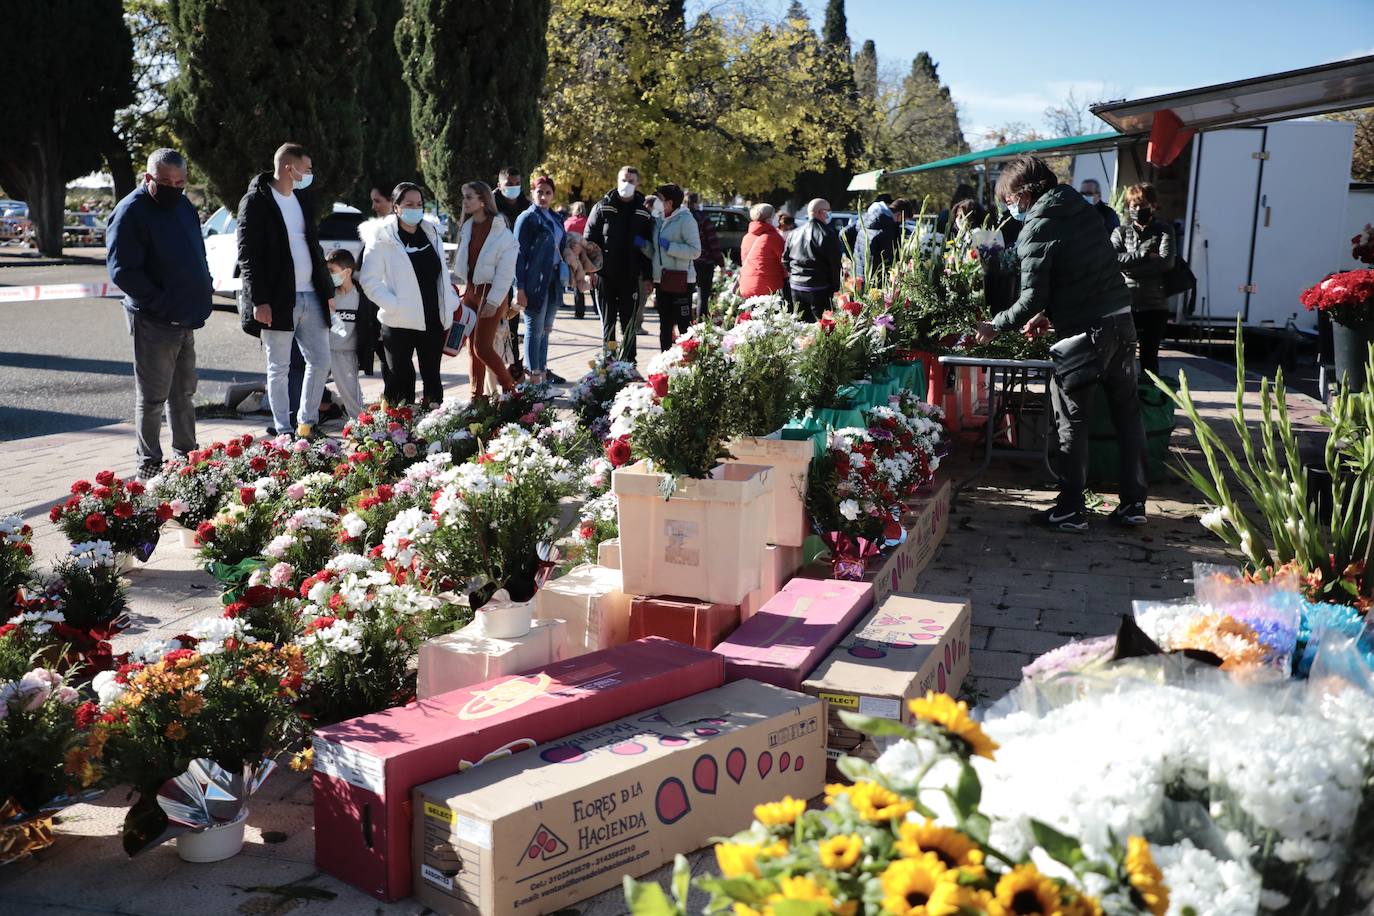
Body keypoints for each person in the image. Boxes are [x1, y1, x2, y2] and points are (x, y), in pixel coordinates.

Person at [975, 155, 1148, 531]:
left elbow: (1031, 296)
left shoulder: (1037, 224)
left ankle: (1071, 508)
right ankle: (1134, 504)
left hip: (1085, 335)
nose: (1008, 206)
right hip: (1121, 323)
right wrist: (1048, 314)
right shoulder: (1081, 210)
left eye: (1007, 198)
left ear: (1022, 194)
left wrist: (996, 326)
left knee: (1072, 420)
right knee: (1128, 418)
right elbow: (1079, 273)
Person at [106, 148, 213, 477]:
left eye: (179, 181)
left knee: (183, 393)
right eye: (164, 181)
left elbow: (196, 252)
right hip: (154, 318)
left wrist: (201, 293)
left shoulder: (183, 205)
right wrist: (162, 302)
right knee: (152, 398)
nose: (173, 187)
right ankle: (148, 463)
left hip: (187, 316)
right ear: (147, 177)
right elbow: (123, 271)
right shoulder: (130, 211)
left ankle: (186, 458)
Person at [236, 142, 336, 438]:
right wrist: (260, 300)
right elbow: (248, 254)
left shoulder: (302, 199)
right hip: (279, 300)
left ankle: (307, 424)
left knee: (320, 361)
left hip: (312, 296)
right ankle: (284, 430)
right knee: (278, 368)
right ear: (289, 168)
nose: (310, 173)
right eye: (306, 167)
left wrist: (327, 290)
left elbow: (314, 247)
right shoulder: (255, 201)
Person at [358, 182, 459, 406]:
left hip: (432, 320)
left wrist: (449, 302)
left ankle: (434, 432)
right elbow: (368, 280)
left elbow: (441, 273)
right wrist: (395, 305)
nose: (416, 208)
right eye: (409, 204)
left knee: (432, 380)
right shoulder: (382, 238)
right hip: (398, 323)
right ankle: (398, 434)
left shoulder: (431, 233)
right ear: (396, 207)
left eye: (419, 204)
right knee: (400, 383)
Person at [452, 180, 519, 399]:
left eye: (469, 197)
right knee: (472, 349)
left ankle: (510, 387)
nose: (465, 202)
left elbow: (506, 272)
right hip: (471, 292)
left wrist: (493, 300)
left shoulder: (501, 232)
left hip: (491, 294)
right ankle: (476, 395)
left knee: (482, 348)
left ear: (483, 200)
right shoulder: (468, 227)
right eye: (464, 197)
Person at [586, 165, 653, 364]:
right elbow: (589, 240)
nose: (627, 184)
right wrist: (590, 271)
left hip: (631, 276)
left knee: (629, 322)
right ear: (617, 180)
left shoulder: (643, 212)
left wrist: (648, 277)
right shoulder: (602, 207)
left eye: (631, 181)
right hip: (605, 275)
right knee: (608, 322)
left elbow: (649, 248)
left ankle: (629, 363)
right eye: (623, 180)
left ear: (638, 183)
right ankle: (608, 362)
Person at [1111, 182, 1175, 377]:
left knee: (1149, 360)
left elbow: (1166, 262)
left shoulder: (1164, 230)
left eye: (1143, 204)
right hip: (1125, 304)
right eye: (1134, 205)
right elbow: (1112, 260)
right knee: (1122, 358)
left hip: (1154, 305)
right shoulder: (1120, 232)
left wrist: (1130, 268)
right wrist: (1144, 255)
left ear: (1153, 205)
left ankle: (1150, 403)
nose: (1138, 209)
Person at [513, 175, 566, 385]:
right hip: (534, 281)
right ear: (531, 193)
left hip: (553, 279)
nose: (543, 196)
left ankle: (542, 375)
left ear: (553, 195)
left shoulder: (556, 218)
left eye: (548, 192)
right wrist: (520, 287)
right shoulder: (527, 218)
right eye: (539, 192)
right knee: (534, 330)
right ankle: (533, 377)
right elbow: (518, 254)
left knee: (546, 330)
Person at [647, 183, 702, 351]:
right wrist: (643, 245)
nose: (656, 200)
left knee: (684, 326)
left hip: (681, 281)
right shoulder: (658, 218)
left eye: (659, 198)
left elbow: (695, 251)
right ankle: (665, 363)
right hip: (662, 279)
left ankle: (687, 363)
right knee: (665, 325)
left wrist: (670, 246)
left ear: (669, 203)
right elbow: (655, 250)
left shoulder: (686, 219)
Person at [324, 248, 375, 419]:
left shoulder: (361, 296)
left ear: (347, 272)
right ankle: (304, 425)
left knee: (351, 395)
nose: (329, 275)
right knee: (308, 391)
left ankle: (360, 424)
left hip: (346, 354)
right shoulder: (328, 295)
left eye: (332, 271)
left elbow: (371, 324)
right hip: (323, 351)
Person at [784, 198, 843, 321]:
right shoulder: (827, 234)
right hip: (818, 288)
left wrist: (795, 274)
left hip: (796, 286)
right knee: (822, 326)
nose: (829, 214)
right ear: (821, 212)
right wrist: (835, 287)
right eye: (828, 211)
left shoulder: (794, 233)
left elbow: (785, 260)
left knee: (801, 326)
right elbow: (834, 264)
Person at [495, 167, 527, 381]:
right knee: (495, 325)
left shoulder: (527, 206)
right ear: (500, 185)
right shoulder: (490, 206)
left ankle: (515, 370)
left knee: (513, 323)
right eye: (509, 184)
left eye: (516, 183)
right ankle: (495, 372)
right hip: (495, 273)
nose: (513, 187)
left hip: (519, 271)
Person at [851, 194, 913, 284]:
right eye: (903, 219)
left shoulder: (867, 217)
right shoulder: (887, 226)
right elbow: (889, 256)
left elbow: (844, 233)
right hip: (876, 278)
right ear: (899, 214)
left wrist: (852, 257)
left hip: (860, 272)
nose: (902, 222)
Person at [687, 192, 724, 319]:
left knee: (685, 296)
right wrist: (720, 262)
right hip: (704, 261)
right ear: (697, 202)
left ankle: (685, 326)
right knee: (703, 296)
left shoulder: (682, 217)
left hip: (686, 261)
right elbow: (712, 241)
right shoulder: (703, 218)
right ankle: (701, 323)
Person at [739, 202, 786, 298]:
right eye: (774, 215)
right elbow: (784, 260)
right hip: (768, 285)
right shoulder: (772, 237)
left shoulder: (747, 237)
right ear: (769, 219)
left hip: (748, 283)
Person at [564, 201, 591, 318]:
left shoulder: (568, 223)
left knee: (576, 282)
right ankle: (597, 309)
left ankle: (579, 311)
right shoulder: (588, 221)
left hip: (573, 255)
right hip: (586, 254)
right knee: (591, 280)